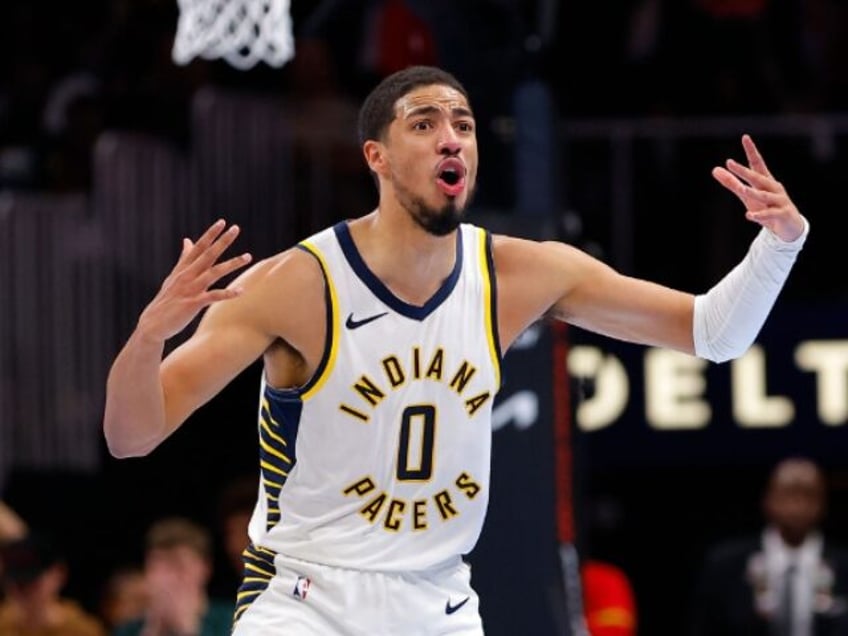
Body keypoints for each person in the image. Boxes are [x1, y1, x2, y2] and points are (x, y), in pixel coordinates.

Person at [103, 65, 809, 634]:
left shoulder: (521, 274)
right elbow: (132, 435)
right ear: (375, 156)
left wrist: (779, 246)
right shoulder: (295, 284)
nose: (452, 138)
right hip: (304, 599)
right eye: (425, 123)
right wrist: (148, 337)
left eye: (463, 125)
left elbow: (713, 333)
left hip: (438, 602)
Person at [689, 457, 848, 635]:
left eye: (808, 494)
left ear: (823, 503)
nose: (797, 505)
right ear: (768, 500)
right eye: (788, 494)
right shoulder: (726, 564)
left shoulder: (844, 566)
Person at [112, 516, 234, 636]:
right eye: (158, 567)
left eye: (179, 566)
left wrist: (188, 630)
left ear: (205, 569)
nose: (167, 578)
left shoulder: (233, 621)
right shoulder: (129, 629)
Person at [0, 532, 107, 636]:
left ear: (58, 574)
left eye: (31, 582)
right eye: (14, 582)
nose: (21, 590)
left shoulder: (83, 630)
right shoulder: (3, 624)